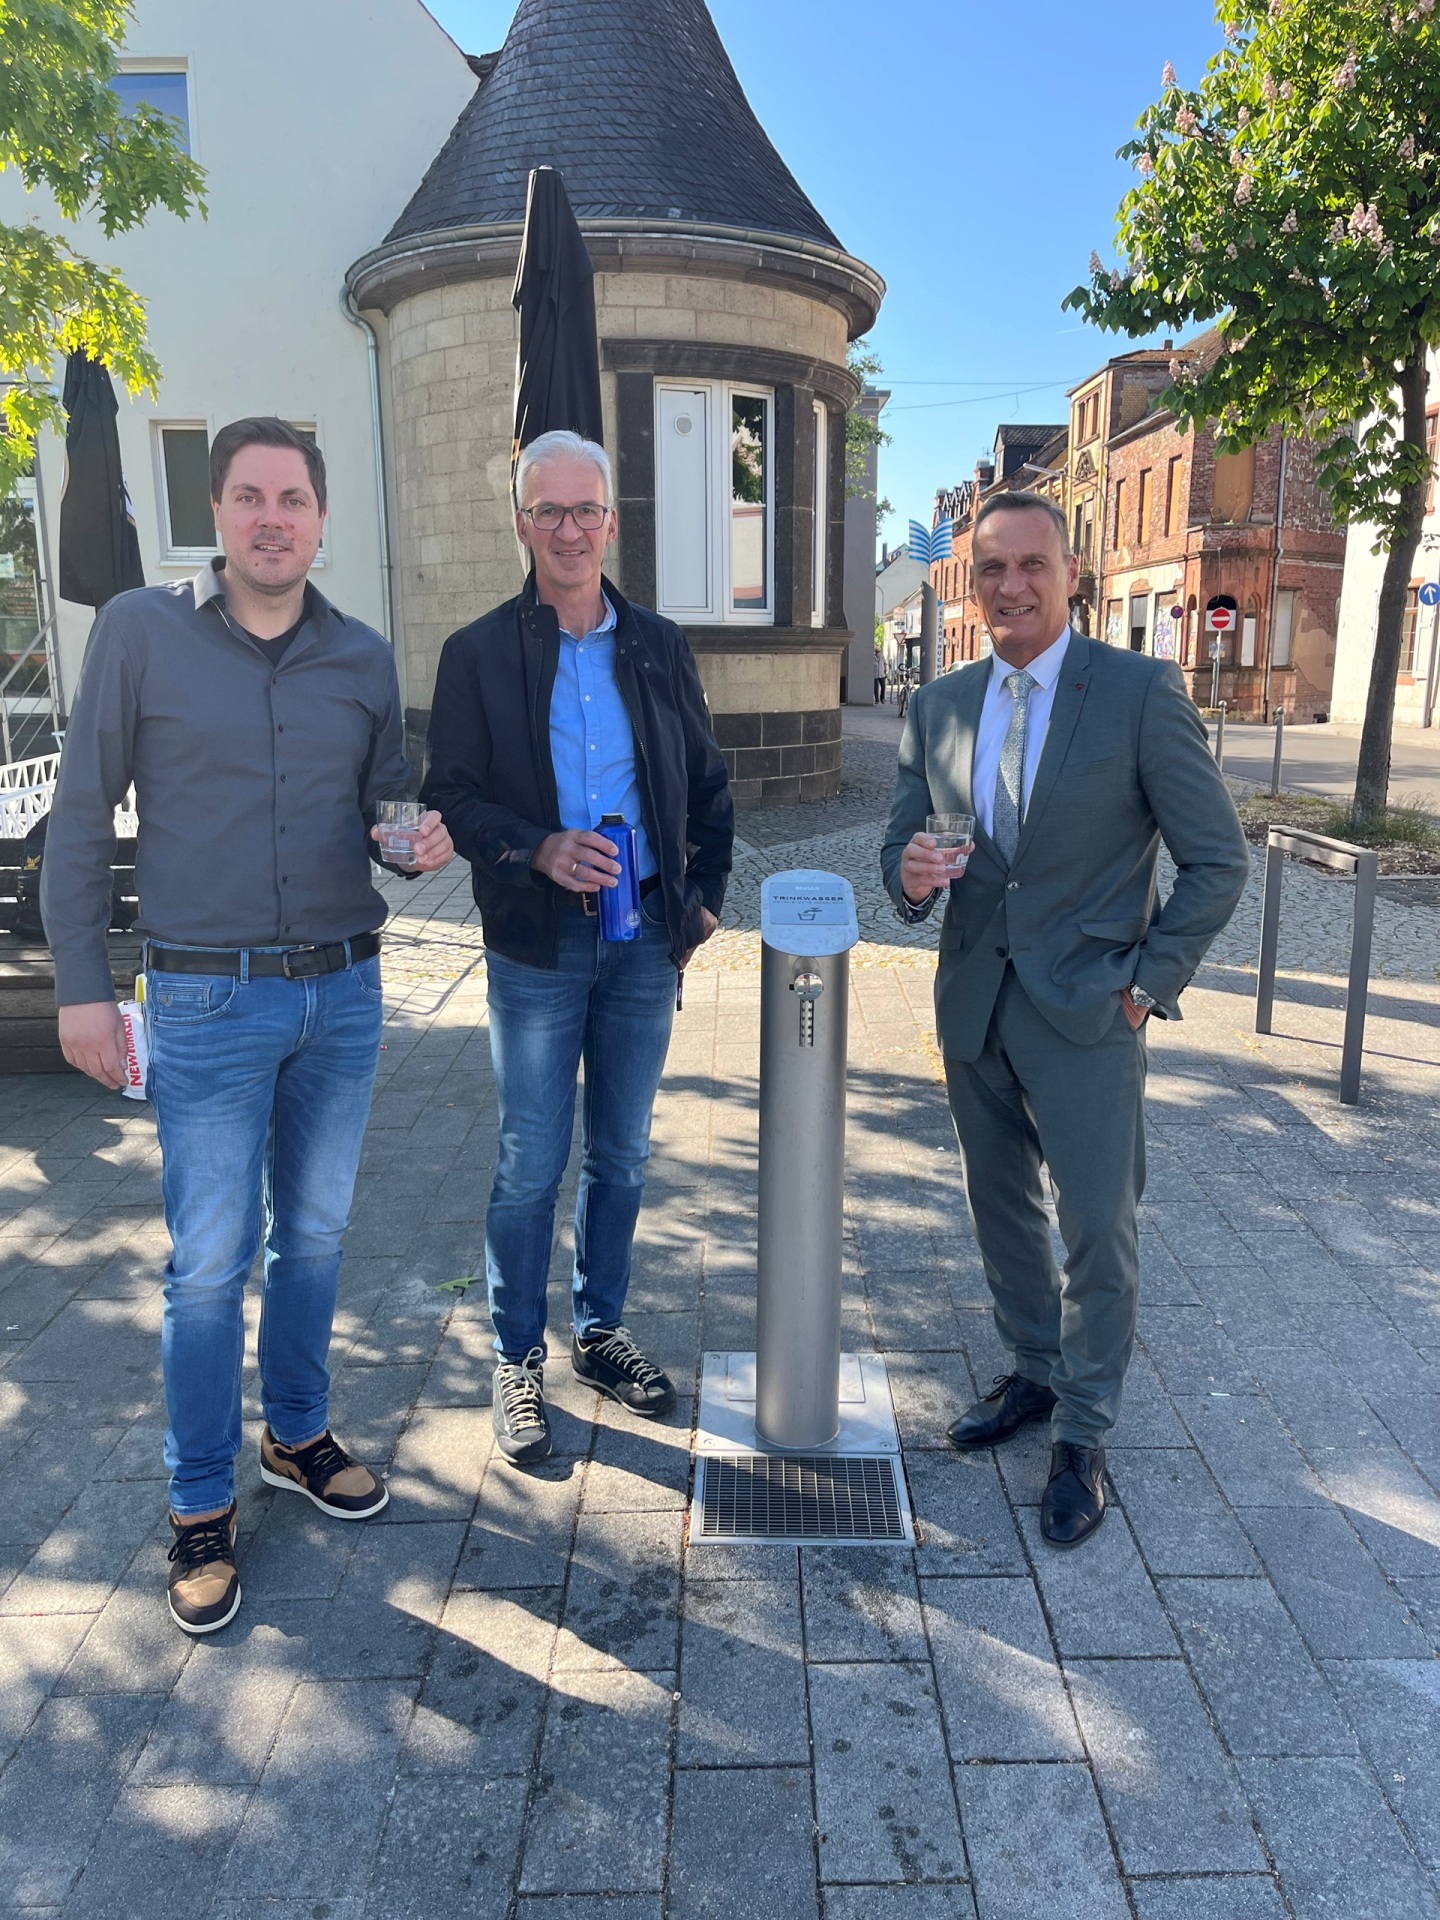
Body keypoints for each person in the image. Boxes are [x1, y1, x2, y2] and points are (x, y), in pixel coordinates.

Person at [43, 416, 454, 1633]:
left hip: (342, 991)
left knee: (316, 1237)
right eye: (248, 496)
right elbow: (79, 817)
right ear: (216, 512)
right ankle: (196, 1506)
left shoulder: (365, 658)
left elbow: (381, 809)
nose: (273, 517)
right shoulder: (138, 632)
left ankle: (299, 1434)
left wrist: (411, 841)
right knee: (207, 1266)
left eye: (294, 498)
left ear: (322, 519)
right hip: (204, 1000)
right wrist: (80, 985)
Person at [881, 491, 1247, 1547]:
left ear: (1070, 572)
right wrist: (906, 878)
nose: (1012, 586)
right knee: (1000, 1210)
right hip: (976, 1004)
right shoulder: (940, 706)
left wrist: (1149, 981)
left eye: (1032, 564)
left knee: (1097, 1225)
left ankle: (1085, 1429)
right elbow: (907, 850)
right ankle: (1033, 1374)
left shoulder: (1136, 690)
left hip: (1091, 1009)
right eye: (991, 568)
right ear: (969, 582)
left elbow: (1217, 860)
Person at [422, 429, 733, 1467]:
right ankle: (517, 1355)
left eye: (584, 509)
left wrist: (705, 901)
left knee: (625, 1151)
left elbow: (710, 781)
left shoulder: (659, 643)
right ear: (521, 525)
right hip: (534, 941)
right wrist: (534, 847)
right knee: (528, 1158)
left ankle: (598, 1330)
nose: (568, 528)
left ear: (611, 520)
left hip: (644, 935)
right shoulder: (476, 652)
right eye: (547, 510)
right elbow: (452, 798)